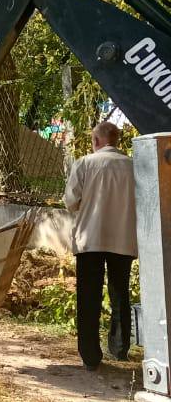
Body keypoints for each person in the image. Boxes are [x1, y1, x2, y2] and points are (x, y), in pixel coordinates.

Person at [64, 120, 137, 370]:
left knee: (88, 296)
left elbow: (71, 202)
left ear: (96, 141)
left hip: (90, 239)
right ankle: (119, 348)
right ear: (117, 141)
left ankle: (90, 355)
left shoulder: (84, 163)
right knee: (120, 293)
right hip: (123, 238)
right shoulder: (133, 166)